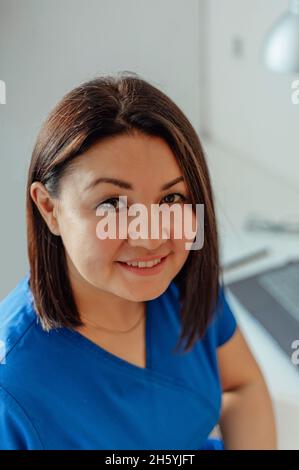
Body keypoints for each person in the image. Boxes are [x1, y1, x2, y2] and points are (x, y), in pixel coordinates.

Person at [0, 73, 277, 450]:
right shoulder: (12, 384)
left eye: (171, 200)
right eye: (112, 203)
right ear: (49, 208)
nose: (151, 238)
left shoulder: (186, 285)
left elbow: (242, 386)